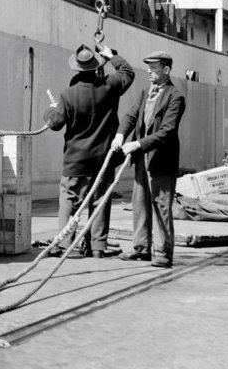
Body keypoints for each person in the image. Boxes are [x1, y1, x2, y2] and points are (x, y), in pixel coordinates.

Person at [43, 43, 134, 258]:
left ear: (76, 69)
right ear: (95, 66)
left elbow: (55, 123)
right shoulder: (110, 86)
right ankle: (98, 247)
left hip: (75, 159)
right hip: (104, 158)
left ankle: (66, 244)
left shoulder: (68, 95)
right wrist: (112, 55)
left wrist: (49, 110)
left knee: (69, 200)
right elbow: (128, 73)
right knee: (100, 200)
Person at [112, 50, 186, 269]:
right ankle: (140, 248)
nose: (149, 71)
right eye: (148, 67)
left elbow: (167, 131)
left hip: (161, 160)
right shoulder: (146, 91)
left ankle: (163, 252)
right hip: (142, 159)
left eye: (153, 68)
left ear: (166, 70)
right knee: (140, 203)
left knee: (161, 206)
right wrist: (120, 134)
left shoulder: (176, 96)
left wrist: (138, 144)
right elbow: (132, 114)